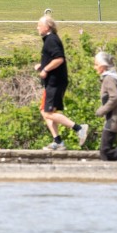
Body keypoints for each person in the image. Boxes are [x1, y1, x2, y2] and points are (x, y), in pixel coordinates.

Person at [34, 14, 88, 150]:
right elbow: (54, 58)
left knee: (47, 113)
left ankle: (79, 128)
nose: (37, 28)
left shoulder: (51, 39)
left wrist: (45, 69)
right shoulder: (49, 39)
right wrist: (42, 65)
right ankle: (58, 141)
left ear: (46, 27)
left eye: (39, 25)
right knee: (44, 110)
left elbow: (59, 59)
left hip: (55, 82)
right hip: (53, 82)